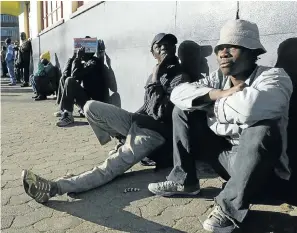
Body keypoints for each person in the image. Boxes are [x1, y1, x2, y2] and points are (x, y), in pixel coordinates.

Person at [148, 20, 293, 233]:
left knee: (262, 129)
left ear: (253, 52)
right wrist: (216, 94)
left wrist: (210, 110)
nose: (223, 53)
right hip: (227, 162)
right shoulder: (217, 79)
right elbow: (179, 94)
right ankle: (184, 181)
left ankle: (229, 209)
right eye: (219, 49)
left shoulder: (274, 76)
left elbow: (250, 108)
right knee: (182, 111)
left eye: (232, 47)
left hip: (261, 170)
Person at [21, 32, 190, 203]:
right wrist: (127, 125)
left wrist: (156, 77)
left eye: (168, 44)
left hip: (154, 134)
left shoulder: (179, 77)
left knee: (109, 167)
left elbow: (162, 112)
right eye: (158, 45)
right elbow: (147, 107)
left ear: (175, 49)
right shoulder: (155, 74)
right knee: (90, 107)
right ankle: (119, 140)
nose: (164, 48)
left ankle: (55, 187)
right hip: (138, 122)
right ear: (152, 52)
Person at [54, 39, 111, 127]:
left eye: (83, 49)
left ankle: (68, 114)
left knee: (69, 81)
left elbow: (74, 76)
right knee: (64, 79)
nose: (80, 50)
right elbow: (66, 74)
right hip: (88, 100)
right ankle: (64, 110)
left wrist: (77, 58)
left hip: (93, 104)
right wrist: (73, 57)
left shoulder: (93, 62)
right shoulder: (86, 63)